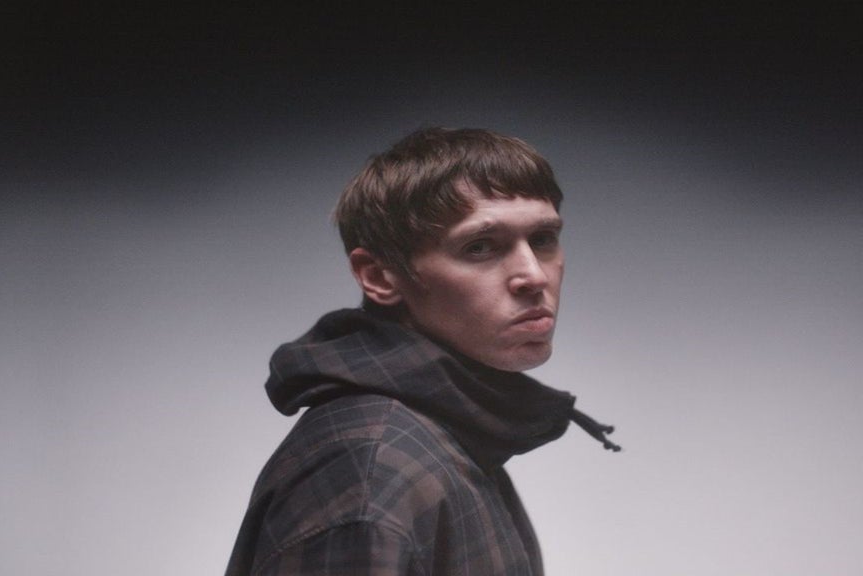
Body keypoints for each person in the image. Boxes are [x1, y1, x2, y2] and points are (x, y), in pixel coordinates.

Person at [225, 127, 620, 576]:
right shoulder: (370, 471)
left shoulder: (447, 432)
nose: (534, 275)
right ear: (379, 276)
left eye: (543, 238)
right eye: (480, 247)